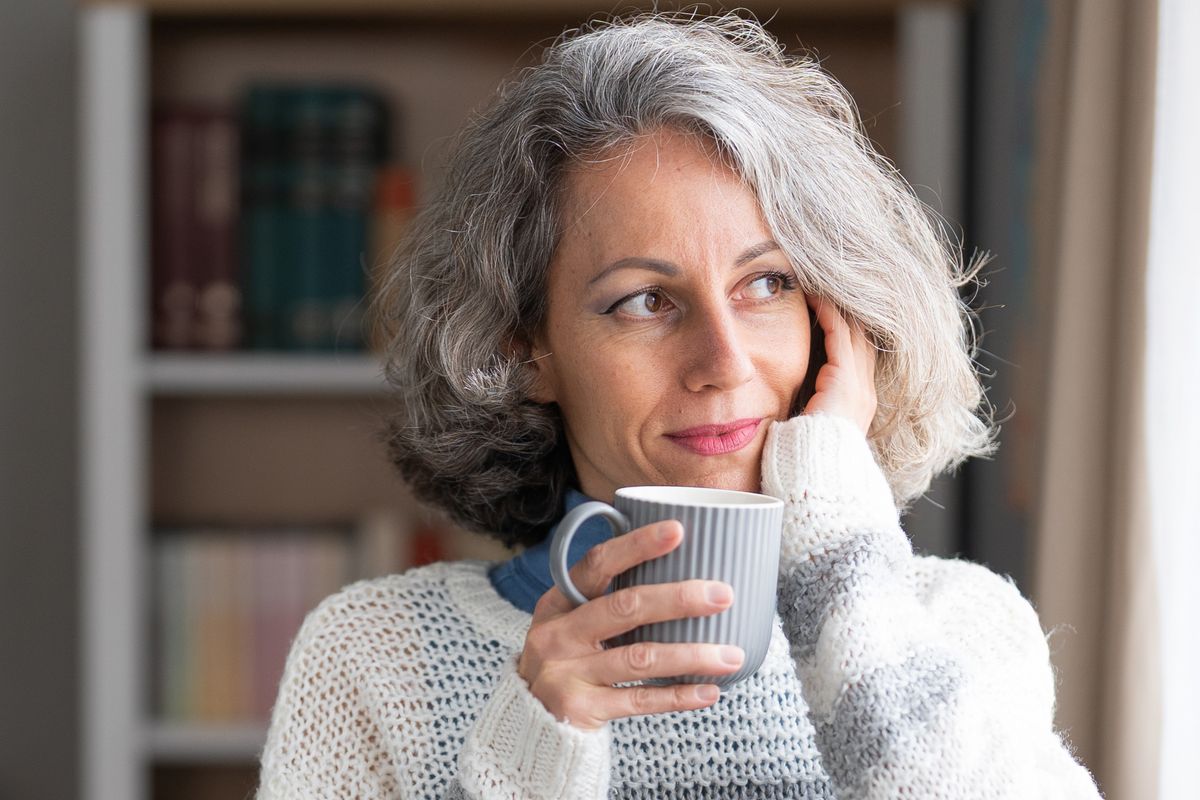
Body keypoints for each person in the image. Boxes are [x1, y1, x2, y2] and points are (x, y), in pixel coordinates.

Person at [256, 11, 1102, 799]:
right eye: (643, 302)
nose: (724, 362)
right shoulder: (376, 657)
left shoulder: (958, 630)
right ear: (526, 351)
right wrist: (536, 750)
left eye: (768, 284)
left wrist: (840, 554)